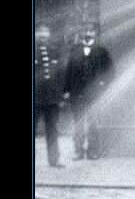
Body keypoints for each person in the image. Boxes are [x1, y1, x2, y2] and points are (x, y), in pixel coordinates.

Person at [63, 28, 114, 160]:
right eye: (85, 32)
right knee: (78, 123)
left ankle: (93, 151)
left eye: (91, 31)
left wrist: (103, 84)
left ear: (95, 34)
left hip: (94, 94)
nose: (87, 34)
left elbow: (110, 70)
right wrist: (66, 91)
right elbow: (68, 71)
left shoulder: (101, 50)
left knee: (93, 123)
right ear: (82, 34)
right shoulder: (75, 50)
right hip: (76, 93)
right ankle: (78, 151)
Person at [34, 23, 64, 168]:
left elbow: (60, 75)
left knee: (52, 129)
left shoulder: (54, 51)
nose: (43, 35)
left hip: (52, 98)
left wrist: (61, 95)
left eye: (45, 32)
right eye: (39, 32)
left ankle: (54, 160)